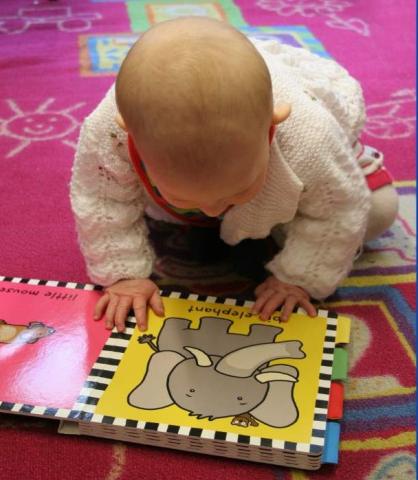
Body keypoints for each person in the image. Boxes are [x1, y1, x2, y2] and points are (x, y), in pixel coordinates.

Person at [70, 17, 398, 333]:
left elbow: (340, 208)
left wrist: (299, 278)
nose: (212, 209)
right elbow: (100, 200)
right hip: (184, 185)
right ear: (133, 139)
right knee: (123, 194)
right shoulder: (108, 133)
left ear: (270, 132)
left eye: (237, 191)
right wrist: (123, 274)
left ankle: (270, 214)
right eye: (187, 196)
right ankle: (216, 196)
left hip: (306, 173)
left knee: (378, 210)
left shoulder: (311, 137)